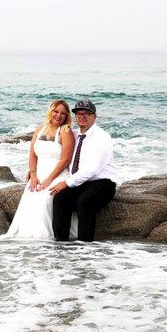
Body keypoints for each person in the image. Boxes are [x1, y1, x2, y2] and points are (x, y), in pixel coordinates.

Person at [0, 100, 76, 239]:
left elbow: (66, 160)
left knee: (44, 201)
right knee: (29, 202)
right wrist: (33, 175)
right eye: (56, 111)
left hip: (57, 175)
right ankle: (30, 240)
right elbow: (33, 155)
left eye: (63, 113)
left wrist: (50, 179)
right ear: (50, 111)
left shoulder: (65, 131)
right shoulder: (39, 130)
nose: (59, 115)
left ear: (66, 117)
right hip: (39, 176)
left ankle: (45, 239)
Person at [49, 100, 119, 242]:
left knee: (84, 202)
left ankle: (85, 247)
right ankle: (61, 243)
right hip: (82, 182)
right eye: (79, 114)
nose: (82, 116)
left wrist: (67, 182)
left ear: (95, 116)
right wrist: (33, 169)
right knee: (60, 199)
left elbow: (93, 169)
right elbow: (50, 145)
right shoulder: (73, 134)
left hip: (103, 183)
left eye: (87, 113)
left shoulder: (102, 137)